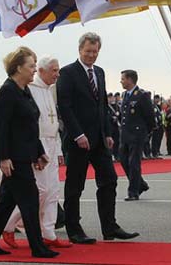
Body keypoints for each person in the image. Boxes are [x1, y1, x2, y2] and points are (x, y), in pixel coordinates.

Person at [57, 32, 139, 244]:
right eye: (88, 51)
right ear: (80, 50)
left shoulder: (100, 73)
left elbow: (102, 105)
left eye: (95, 52)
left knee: (109, 180)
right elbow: (64, 107)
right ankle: (73, 228)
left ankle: (109, 227)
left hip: (100, 140)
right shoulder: (67, 73)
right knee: (75, 185)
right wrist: (77, 134)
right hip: (78, 141)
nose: (92, 55)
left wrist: (108, 133)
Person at [0, 47, 58, 258]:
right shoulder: (7, 91)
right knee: (30, 200)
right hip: (14, 157)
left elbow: (31, 125)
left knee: (6, 202)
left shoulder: (24, 90)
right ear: (18, 67)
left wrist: (39, 153)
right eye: (31, 66)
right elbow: (2, 127)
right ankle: (37, 247)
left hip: (25, 153)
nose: (34, 70)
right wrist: (3, 157)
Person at [1, 56, 71, 250]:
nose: (58, 74)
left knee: (53, 191)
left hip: (50, 143)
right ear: (41, 71)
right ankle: (8, 225)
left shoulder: (49, 90)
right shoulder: (30, 88)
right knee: (37, 192)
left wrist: (57, 149)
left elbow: (53, 121)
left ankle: (48, 232)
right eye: (54, 70)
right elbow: (29, 125)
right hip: (36, 146)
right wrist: (35, 152)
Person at [119, 70, 154, 201]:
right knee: (123, 160)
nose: (121, 81)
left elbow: (149, 116)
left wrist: (146, 132)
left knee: (134, 163)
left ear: (130, 80)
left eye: (123, 79)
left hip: (137, 134)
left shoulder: (141, 95)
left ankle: (133, 191)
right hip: (125, 134)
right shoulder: (125, 95)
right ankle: (141, 184)